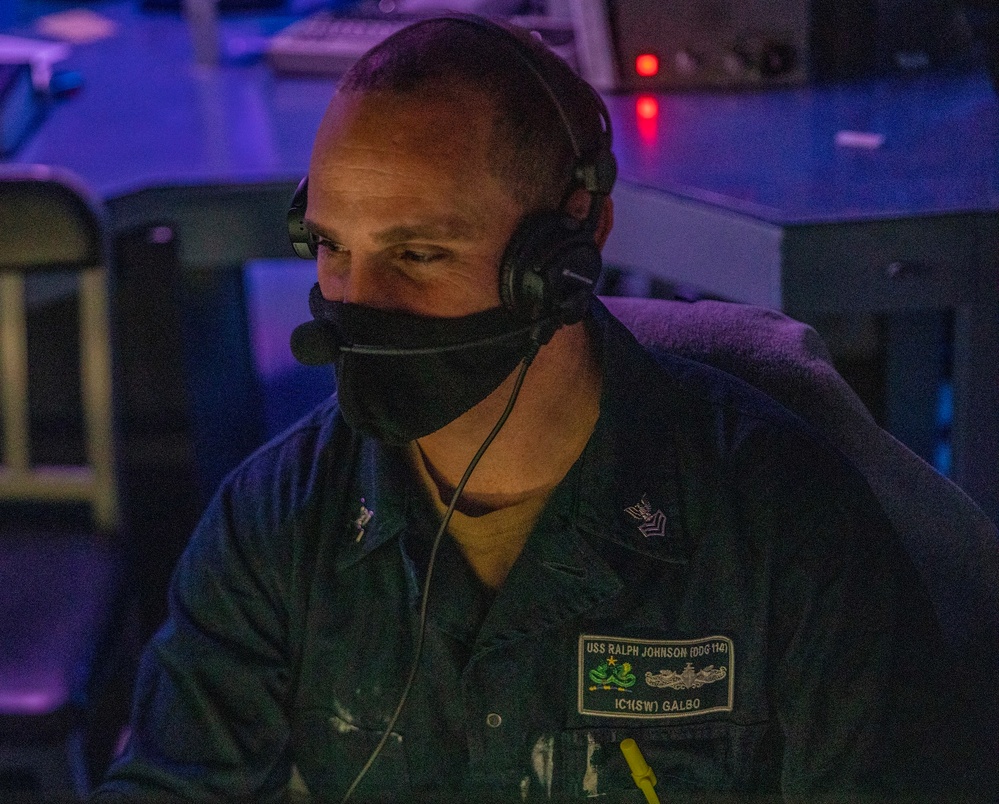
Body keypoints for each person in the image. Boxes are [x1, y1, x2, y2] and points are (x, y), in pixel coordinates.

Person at [94, 15, 991, 803]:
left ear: (565, 251)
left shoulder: (785, 531)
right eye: (331, 248)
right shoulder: (273, 525)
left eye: (417, 255)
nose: (355, 306)